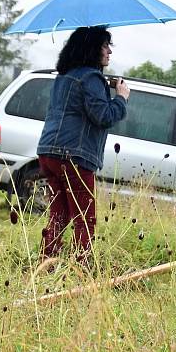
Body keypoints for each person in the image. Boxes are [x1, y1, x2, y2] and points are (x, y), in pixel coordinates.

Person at [36, 26, 129, 264]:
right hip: (74, 156)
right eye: (105, 45)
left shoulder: (64, 76)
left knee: (58, 213)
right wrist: (120, 98)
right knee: (85, 218)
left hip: (48, 153)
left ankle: (46, 263)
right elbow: (104, 116)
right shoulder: (91, 77)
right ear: (92, 48)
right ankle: (81, 270)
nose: (109, 51)